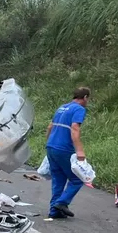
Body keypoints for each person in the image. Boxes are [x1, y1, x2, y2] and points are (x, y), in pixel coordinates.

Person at [44, 87, 90, 219]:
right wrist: (80, 150)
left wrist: (49, 143)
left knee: (58, 179)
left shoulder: (62, 107)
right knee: (78, 178)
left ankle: (54, 211)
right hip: (63, 148)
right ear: (85, 97)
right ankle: (61, 203)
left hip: (51, 147)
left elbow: (50, 127)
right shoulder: (79, 109)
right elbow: (75, 128)